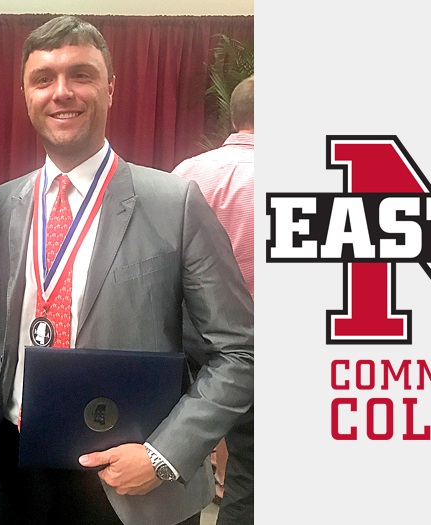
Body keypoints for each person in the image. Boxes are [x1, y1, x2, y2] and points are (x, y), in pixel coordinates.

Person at [0, 15, 254, 525]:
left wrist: (164, 456)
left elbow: (240, 349)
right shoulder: (5, 203)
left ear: (111, 88)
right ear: (25, 94)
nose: (61, 92)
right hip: (21, 475)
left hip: (135, 482)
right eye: (43, 78)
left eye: (80, 75)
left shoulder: (175, 203)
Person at [172, 75, 255, 525]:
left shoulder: (185, 172)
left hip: (186, 337)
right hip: (254, 345)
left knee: (177, 447)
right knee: (254, 468)